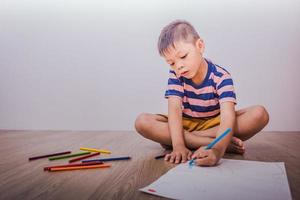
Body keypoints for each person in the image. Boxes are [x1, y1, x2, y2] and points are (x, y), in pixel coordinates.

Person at [135, 20, 269, 166]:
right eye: (171, 63)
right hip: (185, 123)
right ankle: (219, 142)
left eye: (183, 56)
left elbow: (227, 117)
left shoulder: (221, 77)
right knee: (142, 122)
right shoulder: (176, 75)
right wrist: (179, 146)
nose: (178, 66)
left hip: (215, 124)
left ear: (200, 46)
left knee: (259, 114)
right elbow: (174, 110)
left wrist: (217, 151)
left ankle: (189, 140)